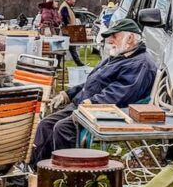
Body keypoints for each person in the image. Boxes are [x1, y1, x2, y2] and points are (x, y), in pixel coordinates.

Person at [30, 18, 156, 162]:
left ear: (130, 38)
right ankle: (39, 170)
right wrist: (68, 94)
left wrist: (90, 102)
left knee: (62, 128)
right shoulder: (118, 57)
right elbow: (93, 83)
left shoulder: (140, 64)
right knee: (45, 124)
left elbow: (120, 94)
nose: (109, 41)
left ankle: (67, 174)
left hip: (104, 112)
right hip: (84, 106)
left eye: (114, 36)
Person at [60, 0, 84, 67]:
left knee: (68, 47)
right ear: (68, 0)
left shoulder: (67, 6)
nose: (74, 1)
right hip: (67, 31)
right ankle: (79, 63)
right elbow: (64, 18)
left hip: (69, 30)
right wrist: (68, 26)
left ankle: (78, 63)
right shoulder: (64, 7)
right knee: (69, 48)